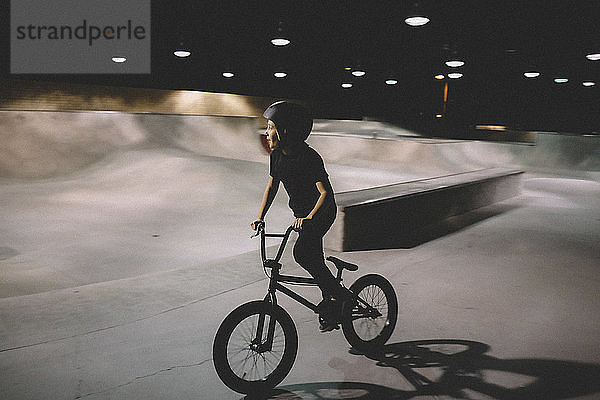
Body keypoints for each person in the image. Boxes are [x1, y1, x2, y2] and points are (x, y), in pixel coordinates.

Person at [251, 101, 342, 332]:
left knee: (301, 253)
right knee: (315, 258)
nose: (267, 132)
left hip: (322, 211)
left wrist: (310, 217)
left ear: (285, 131)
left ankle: (338, 295)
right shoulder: (277, 156)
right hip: (301, 213)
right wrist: (260, 216)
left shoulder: (309, 157)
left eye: (271, 126)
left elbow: (325, 194)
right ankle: (332, 300)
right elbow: (271, 187)